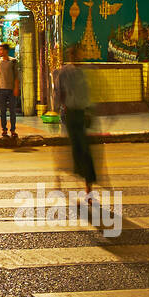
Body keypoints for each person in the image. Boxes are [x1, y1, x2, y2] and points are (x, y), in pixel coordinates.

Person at [53, 62, 97, 197]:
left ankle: (85, 184)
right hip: (78, 113)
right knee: (81, 148)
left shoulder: (66, 72)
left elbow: (59, 92)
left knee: (77, 148)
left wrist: (58, 107)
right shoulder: (80, 73)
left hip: (75, 113)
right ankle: (87, 184)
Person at [0, 43, 21, 139]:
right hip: (2, 89)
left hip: (11, 89)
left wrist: (16, 88)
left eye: (1, 50)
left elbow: (16, 76)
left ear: (6, 51)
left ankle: (13, 130)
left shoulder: (13, 61)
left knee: (12, 111)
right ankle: (4, 129)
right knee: (2, 111)